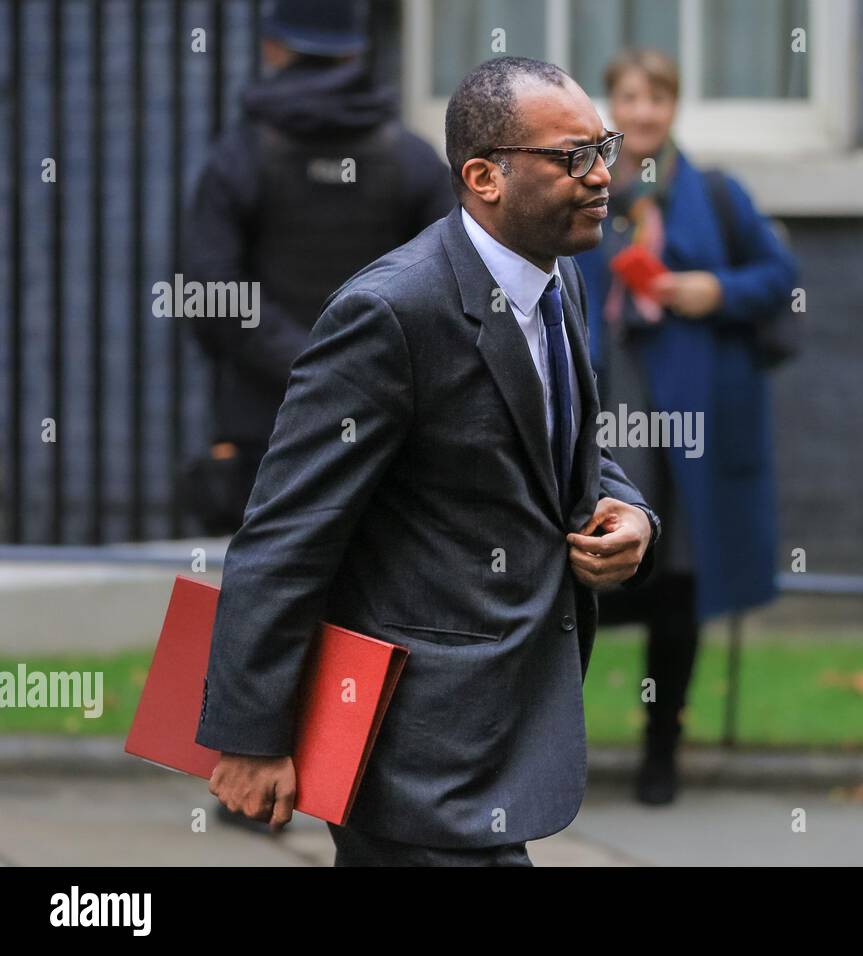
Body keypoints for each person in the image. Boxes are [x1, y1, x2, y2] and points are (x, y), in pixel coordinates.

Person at [197, 55, 660, 867]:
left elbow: (562, 442)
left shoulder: (562, 282)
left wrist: (630, 510)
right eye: (572, 157)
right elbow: (287, 532)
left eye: (604, 149)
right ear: (484, 177)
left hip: (502, 728)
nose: (601, 176)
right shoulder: (389, 313)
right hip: (412, 747)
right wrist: (250, 737)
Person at [573, 50, 797, 805]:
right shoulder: (583, 184)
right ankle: (556, 747)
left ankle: (660, 747)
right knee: (584, 576)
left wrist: (713, 290)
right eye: (630, 98)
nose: (643, 112)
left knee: (680, 580)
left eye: (658, 98)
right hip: (608, 415)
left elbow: (778, 277)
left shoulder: (716, 194)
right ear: (611, 105)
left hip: (690, 420)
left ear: (673, 108)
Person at [181, 0, 454, 536]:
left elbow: (211, 297)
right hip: (386, 422)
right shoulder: (411, 158)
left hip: (268, 429)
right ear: (354, 53)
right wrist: (366, 365)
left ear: (272, 49)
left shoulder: (238, 157)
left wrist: (306, 364)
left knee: (267, 578)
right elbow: (456, 278)